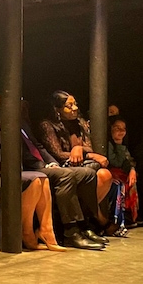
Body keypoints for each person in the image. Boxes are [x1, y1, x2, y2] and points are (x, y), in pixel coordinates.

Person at [0, 83, 70, 251]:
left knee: (42, 178)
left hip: (0, 174)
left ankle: (46, 230)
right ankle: (25, 232)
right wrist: (5, 169)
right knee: (33, 181)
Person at [20, 100, 105, 248]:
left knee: (88, 173)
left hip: (44, 164)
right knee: (66, 175)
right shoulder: (4, 124)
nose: (23, 106)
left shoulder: (23, 124)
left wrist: (52, 163)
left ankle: (84, 226)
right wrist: (44, 165)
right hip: (29, 168)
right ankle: (70, 232)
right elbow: (23, 154)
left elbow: (38, 147)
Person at [38, 91, 114, 222]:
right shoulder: (47, 125)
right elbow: (57, 154)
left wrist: (80, 149)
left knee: (104, 175)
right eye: (69, 106)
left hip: (82, 164)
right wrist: (87, 155)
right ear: (57, 109)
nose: (75, 108)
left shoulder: (80, 123)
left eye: (75, 104)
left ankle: (87, 217)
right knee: (95, 169)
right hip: (61, 165)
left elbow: (89, 147)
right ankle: (96, 219)